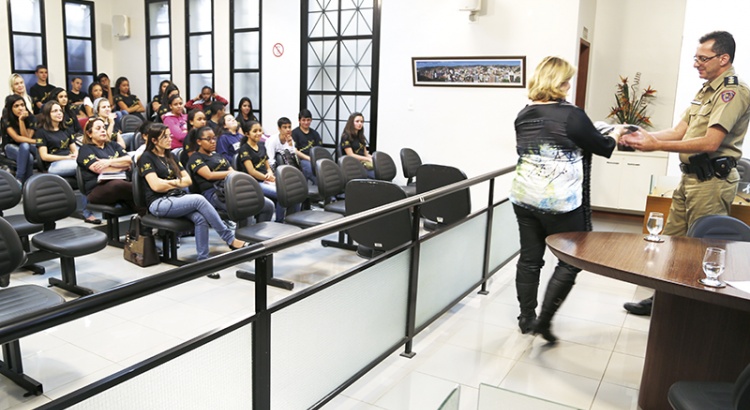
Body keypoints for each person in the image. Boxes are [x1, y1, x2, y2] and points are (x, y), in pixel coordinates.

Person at [621, 31, 750, 316]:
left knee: (699, 248)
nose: (696, 64)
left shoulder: (733, 91)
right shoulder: (706, 90)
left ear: (724, 58)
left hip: (712, 183)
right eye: (696, 58)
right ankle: (663, 302)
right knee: (671, 242)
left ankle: (692, 313)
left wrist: (656, 146)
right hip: (690, 179)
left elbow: (710, 142)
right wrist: (646, 137)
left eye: (703, 59)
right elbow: (680, 131)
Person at [510, 56, 620, 343]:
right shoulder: (572, 115)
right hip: (558, 203)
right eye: (566, 79)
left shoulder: (524, 114)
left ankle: (526, 318)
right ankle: (544, 321)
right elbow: (602, 145)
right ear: (558, 82)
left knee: (530, 259)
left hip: (524, 198)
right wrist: (616, 133)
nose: (569, 84)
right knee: (572, 260)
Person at [137, 123, 247, 273]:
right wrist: (176, 183)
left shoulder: (171, 156)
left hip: (176, 198)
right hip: (158, 203)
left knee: (200, 218)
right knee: (199, 199)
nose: (170, 139)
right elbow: (156, 186)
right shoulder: (146, 158)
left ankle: (203, 261)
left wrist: (168, 183)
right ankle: (229, 238)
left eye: (170, 136)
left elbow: (187, 180)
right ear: (154, 140)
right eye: (165, 137)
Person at [186, 126, 273, 224]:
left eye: (214, 138)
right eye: (208, 139)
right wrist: (231, 173)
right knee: (246, 208)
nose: (213, 141)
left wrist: (232, 174)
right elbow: (209, 175)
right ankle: (243, 237)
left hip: (230, 188)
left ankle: (259, 236)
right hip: (214, 193)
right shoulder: (195, 157)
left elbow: (231, 171)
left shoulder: (218, 155)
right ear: (199, 142)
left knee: (268, 205)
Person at [77, 117, 144, 215]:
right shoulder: (85, 149)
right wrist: (122, 166)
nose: (103, 130)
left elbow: (128, 160)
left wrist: (108, 162)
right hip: (97, 189)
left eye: (104, 127)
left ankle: (143, 225)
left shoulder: (113, 145)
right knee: (120, 185)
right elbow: (100, 169)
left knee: (134, 196)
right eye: (98, 128)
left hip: (122, 183)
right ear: (89, 133)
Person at [238, 121, 300, 222]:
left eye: (259, 130)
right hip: (254, 182)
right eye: (255, 131)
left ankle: (293, 220)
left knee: (293, 191)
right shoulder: (244, 150)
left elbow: (267, 166)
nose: (258, 133)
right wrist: (267, 178)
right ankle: (279, 222)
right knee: (282, 194)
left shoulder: (262, 145)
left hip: (266, 179)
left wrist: (270, 173)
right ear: (247, 134)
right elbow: (252, 171)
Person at [1, 94, 37, 183]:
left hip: (27, 146)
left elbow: (26, 138)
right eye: (16, 106)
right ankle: (28, 182)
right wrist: (36, 141)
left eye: (22, 105)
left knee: (25, 146)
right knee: (30, 157)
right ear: (10, 108)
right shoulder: (6, 119)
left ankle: (19, 181)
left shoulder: (31, 118)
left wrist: (21, 121)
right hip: (10, 147)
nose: (20, 108)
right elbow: (17, 138)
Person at [292, 109, 323, 184]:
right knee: (312, 170)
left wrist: (315, 159)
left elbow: (319, 150)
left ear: (311, 120)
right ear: (299, 121)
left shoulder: (315, 134)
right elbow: (295, 151)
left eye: (308, 120)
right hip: (302, 160)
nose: (306, 122)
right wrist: (309, 158)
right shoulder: (294, 133)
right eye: (303, 120)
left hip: (314, 159)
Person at [340, 112, 374, 178]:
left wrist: (373, 158)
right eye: (357, 121)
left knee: (380, 171)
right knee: (375, 175)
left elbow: (365, 153)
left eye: (361, 122)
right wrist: (367, 159)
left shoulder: (361, 137)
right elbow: (350, 155)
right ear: (351, 122)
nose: (360, 124)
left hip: (363, 163)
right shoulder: (346, 137)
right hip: (353, 165)